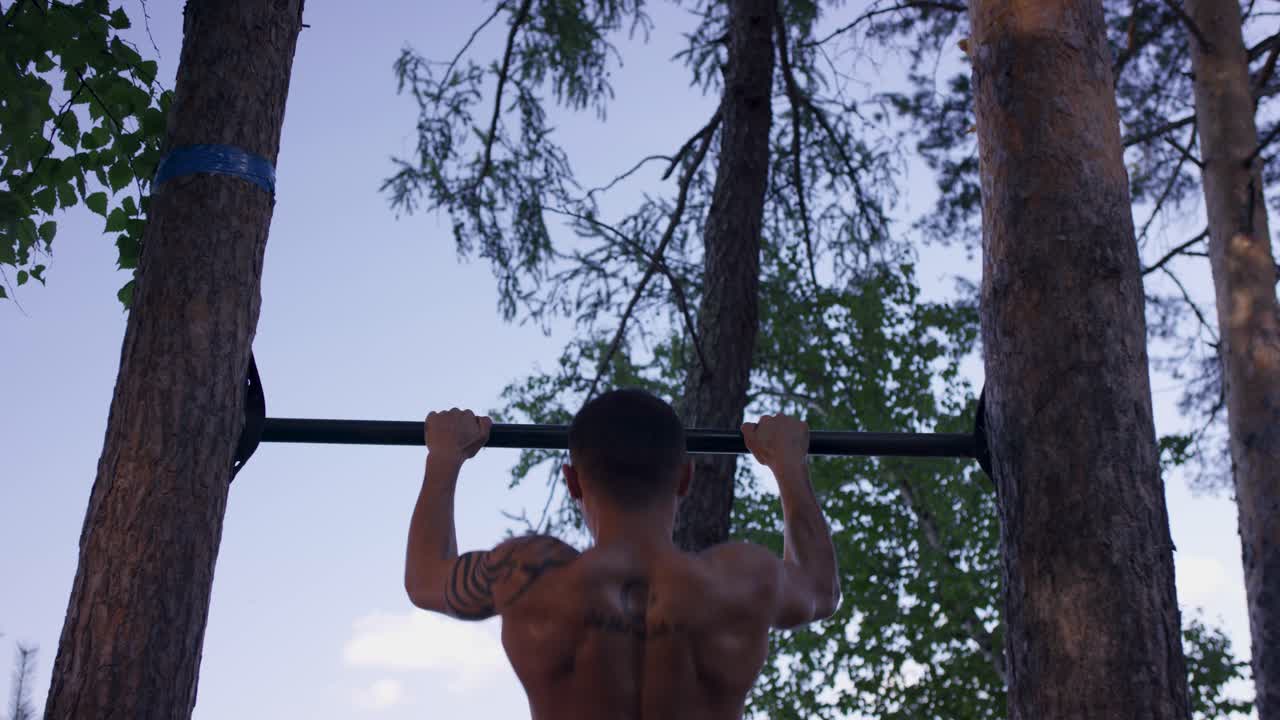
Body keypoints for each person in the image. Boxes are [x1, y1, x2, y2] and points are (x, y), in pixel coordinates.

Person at [404, 388, 841, 720]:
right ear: (685, 478)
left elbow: (425, 580)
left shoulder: (526, 573)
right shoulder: (743, 579)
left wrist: (444, 458)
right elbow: (820, 589)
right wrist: (788, 466)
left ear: (573, 483)